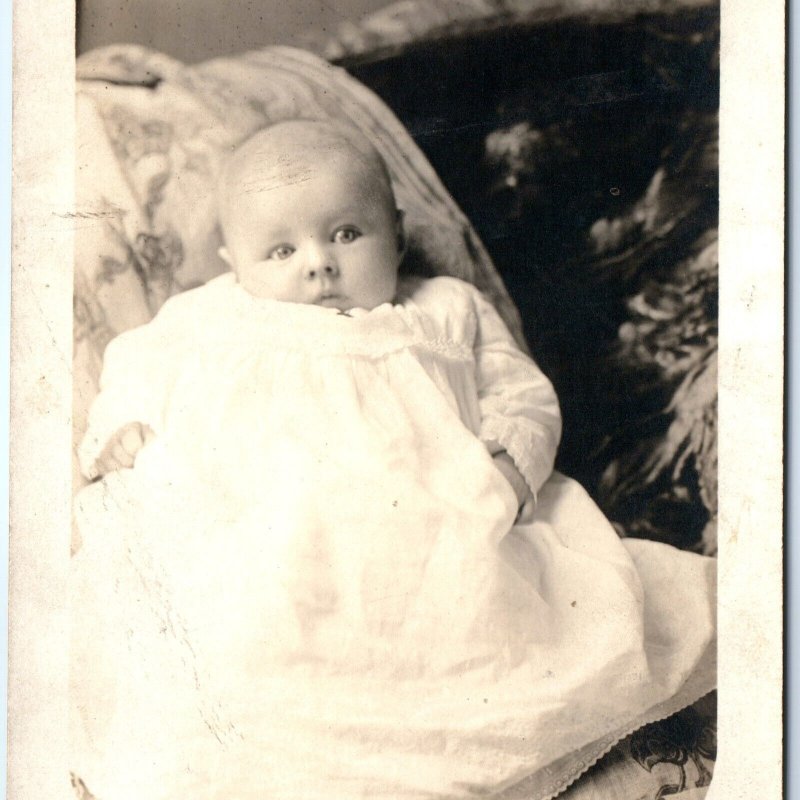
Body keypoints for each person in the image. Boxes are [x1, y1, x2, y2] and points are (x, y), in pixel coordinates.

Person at [71, 119, 715, 800]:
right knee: (229, 639)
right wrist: (119, 428)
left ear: (398, 234)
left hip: (432, 527)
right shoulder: (205, 317)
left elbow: (519, 392)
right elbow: (134, 366)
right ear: (234, 263)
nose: (317, 263)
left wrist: (508, 462)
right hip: (268, 534)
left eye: (346, 234)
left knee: (511, 629)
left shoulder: (443, 307)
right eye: (280, 249)